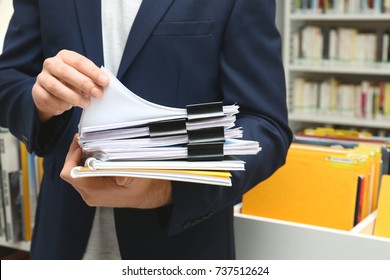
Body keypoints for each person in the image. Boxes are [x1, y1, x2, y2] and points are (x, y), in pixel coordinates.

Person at [0, 0, 292, 260]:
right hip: (62, 240)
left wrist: (167, 189)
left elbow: (264, 125)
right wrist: (41, 103)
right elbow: (9, 83)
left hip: (181, 249)